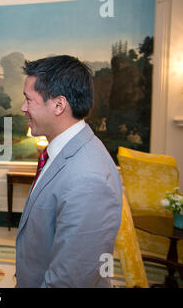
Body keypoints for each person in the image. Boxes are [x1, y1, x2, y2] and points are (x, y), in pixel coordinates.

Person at [16, 55, 123, 287]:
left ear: (58, 104)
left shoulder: (88, 178)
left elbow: (71, 278)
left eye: (28, 100)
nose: (23, 108)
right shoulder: (62, 152)